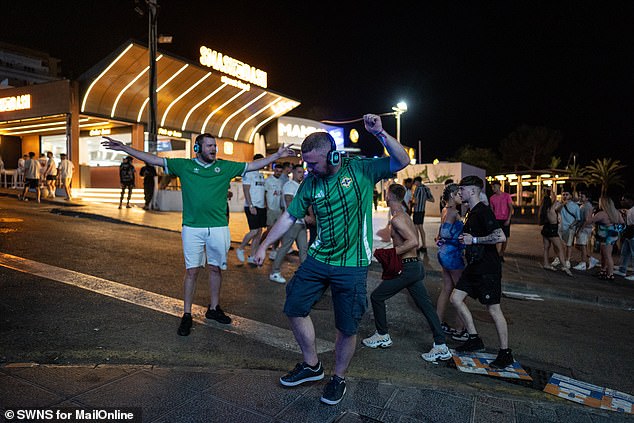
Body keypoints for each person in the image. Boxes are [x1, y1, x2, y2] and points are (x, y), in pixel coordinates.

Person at [252, 114, 410, 405]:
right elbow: (290, 216)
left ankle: (338, 378)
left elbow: (402, 161)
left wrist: (381, 134)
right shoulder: (310, 183)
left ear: (333, 155)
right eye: (305, 163)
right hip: (318, 258)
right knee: (294, 306)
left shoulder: (361, 169)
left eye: (312, 163)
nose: (307, 169)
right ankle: (312, 366)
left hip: (352, 265)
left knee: (346, 326)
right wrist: (264, 244)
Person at [101, 134, 294, 336]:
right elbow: (153, 159)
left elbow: (253, 166)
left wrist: (277, 156)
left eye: (215, 146)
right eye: (209, 146)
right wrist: (125, 148)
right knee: (192, 271)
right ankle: (187, 315)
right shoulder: (184, 166)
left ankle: (213, 308)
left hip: (219, 227)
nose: (214, 149)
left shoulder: (225, 167)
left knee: (215, 269)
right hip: (192, 228)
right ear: (197, 148)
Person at [362, 183, 452, 363]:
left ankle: (382, 335)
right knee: (426, 306)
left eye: (386, 194)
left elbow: (413, 242)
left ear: (389, 196)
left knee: (377, 297)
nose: (385, 197)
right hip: (413, 267)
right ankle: (441, 345)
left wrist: (389, 254)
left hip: (408, 268)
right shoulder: (402, 216)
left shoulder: (397, 218)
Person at [449, 175, 514, 369]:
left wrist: (474, 241)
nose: (459, 193)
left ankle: (505, 353)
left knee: (493, 309)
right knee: (455, 298)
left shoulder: (483, 212)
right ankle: (474, 338)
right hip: (474, 266)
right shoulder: (471, 211)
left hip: (488, 268)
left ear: (472, 191)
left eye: (462, 189)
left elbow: (500, 236)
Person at [434, 183, 466, 340]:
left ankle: (437, 322)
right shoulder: (453, 212)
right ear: (453, 195)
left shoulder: (444, 210)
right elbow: (446, 232)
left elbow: (441, 234)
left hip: (444, 253)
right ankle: (459, 328)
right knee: (460, 291)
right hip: (452, 256)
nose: (462, 195)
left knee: (447, 288)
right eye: (459, 193)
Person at [269, 164, 308, 283]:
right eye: (299, 172)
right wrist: (303, 216)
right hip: (292, 222)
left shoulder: (301, 186)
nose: (301, 175)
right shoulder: (289, 185)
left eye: (302, 172)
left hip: (301, 223)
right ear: (294, 173)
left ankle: (304, 274)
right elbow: (289, 202)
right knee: (285, 248)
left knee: (303, 249)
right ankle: (274, 272)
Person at [236, 154, 267, 265]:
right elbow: (246, 190)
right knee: (253, 231)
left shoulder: (261, 175)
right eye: (259, 161)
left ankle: (252, 256)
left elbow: (263, 192)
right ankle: (241, 248)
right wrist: (250, 205)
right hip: (252, 206)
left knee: (259, 232)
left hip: (261, 207)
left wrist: (265, 206)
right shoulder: (249, 173)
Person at [539, 189, 572, 276]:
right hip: (552, 230)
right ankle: (564, 266)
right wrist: (564, 202)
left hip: (545, 229)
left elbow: (558, 206)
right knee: (560, 248)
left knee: (546, 248)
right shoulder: (552, 207)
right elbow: (558, 206)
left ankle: (546, 264)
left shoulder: (544, 208)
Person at [591, 196, 625, 281]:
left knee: (607, 255)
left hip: (606, 237)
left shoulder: (602, 213)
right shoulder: (616, 212)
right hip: (613, 236)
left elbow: (590, 220)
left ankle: (610, 274)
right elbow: (622, 224)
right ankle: (603, 271)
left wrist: (590, 212)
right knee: (604, 254)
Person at [551, 190, 581, 269]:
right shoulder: (559, 204)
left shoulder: (575, 206)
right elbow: (556, 210)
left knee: (569, 245)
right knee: (556, 244)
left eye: (567, 194)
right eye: (563, 194)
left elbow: (578, 218)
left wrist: (572, 225)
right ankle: (557, 258)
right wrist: (563, 204)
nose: (565, 196)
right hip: (559, 227)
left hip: (570, 228)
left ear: (570, 196)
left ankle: (567, 260)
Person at [572, 191, 599, 271]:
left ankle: (583, 263)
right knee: (577, 245)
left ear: (587, 198)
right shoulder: (584, 205)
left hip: (584, 228)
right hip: (583, 227)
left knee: (582, 245)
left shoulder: (587, 206)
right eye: (580, 196)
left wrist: (580, 229)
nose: (580, 197)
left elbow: (587, 220)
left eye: (582, 196)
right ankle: (591, 258)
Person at [263, 162, 285, 259]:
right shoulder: (268, 181)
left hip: (278, 209)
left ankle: (273, 250)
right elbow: (264, 193)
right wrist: (266, 206)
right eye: (277, 171)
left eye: (280, 172)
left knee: (278, 231)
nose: (278, 173)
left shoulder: (281, 182)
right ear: (274, 171)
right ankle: (262, 246)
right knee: (269, 231)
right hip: (270, 209)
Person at [489, 181, 513, 262]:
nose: (493, 188)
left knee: (505, 238)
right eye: (492, 187)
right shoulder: (492, 198)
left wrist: (508, 219)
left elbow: (511, 208)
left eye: (494, 186)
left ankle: (501, 254)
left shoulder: (507, 196)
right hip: (496, 219)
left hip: (505, 219)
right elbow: (492, 211)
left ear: (499, 186)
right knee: (496, 238)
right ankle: (496, 254)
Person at [412, 176, 435, 255]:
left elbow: (415, 200)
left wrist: (413, 204)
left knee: (416, 228)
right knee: (421, 227)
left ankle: (417, 246)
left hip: (417, 210)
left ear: (417, 181)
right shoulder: (426, 188)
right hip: (422, 210)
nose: (414, 184)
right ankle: (424, 245)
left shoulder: (418, 188)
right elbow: (432, 200)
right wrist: (424, 199)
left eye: (415, 182)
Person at [614, 193, 634, 280]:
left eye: (623, 200)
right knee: (625, 252)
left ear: (630, 200)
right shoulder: (629, 210)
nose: (622, 202)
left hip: (632, 234)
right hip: (628, 234)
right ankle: (622, 270)